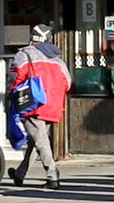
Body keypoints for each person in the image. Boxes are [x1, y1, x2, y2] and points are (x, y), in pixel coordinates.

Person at [9, 24, 72, 190]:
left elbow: (16, 77)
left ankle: (53, 176)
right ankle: (19, 174)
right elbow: (68, 82)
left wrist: (11, 95)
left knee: (40, 140)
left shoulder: (25, 54)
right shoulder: (57, 59)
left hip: (33, 102)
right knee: (37, 140)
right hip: (53, 103)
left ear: (32, 37)